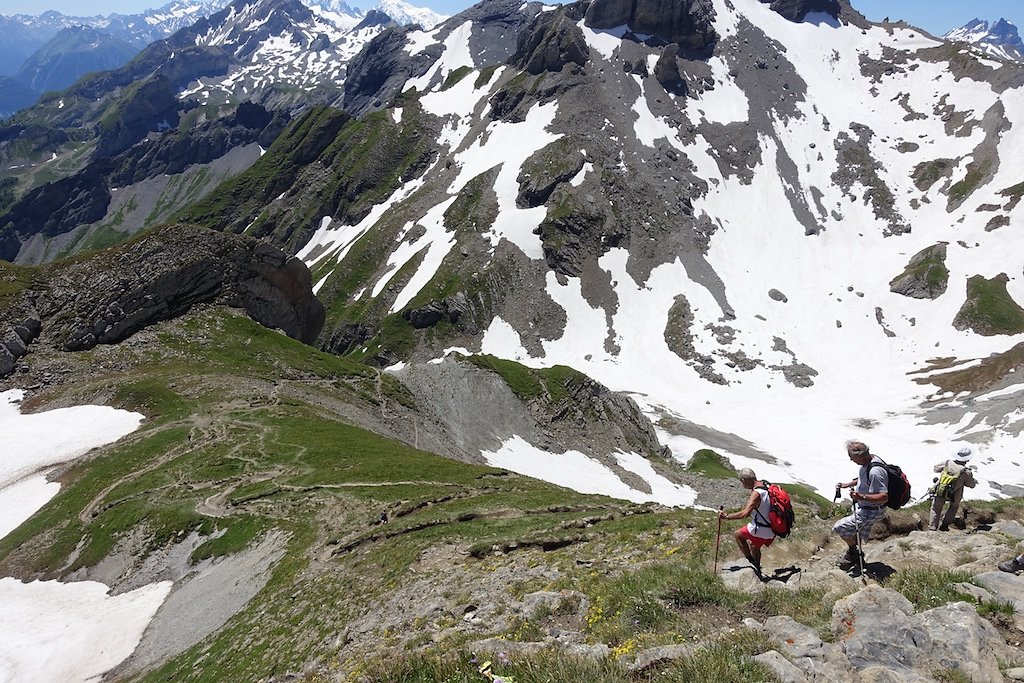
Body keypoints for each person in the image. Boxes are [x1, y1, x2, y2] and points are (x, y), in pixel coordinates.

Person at [833, 440, 888, 571]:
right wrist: (848, 484)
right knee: (856, 533)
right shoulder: (871, 461)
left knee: (839, 527)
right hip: (868, 508)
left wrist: (861, 497)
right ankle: (855, 555)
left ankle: (854, 552)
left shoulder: (875, 471)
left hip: (872, 510)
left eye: (852, 457)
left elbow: (884, 496)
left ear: (860, 456)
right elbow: (865, 479)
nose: (851, 460)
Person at [719, 468, 775, 574]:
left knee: (738, 535)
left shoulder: (756, 493)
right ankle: (757, 566)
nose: (742, 484)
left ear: (744, 480)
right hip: (771, 527)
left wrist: (727, 516)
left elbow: (745, 513)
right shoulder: (764, 485)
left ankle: (751, 562)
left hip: (762, 528)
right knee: (754, 545)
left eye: (741, 481)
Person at [929, 446, 977, 531]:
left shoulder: (947, 463)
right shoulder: (966, 471)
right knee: (954, 507)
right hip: (955, 494)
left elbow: (935, 468)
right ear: (967, 459)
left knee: (936, 508)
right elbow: (971, 485)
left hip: (941, 489)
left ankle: (932, 527)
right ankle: (944, 526)